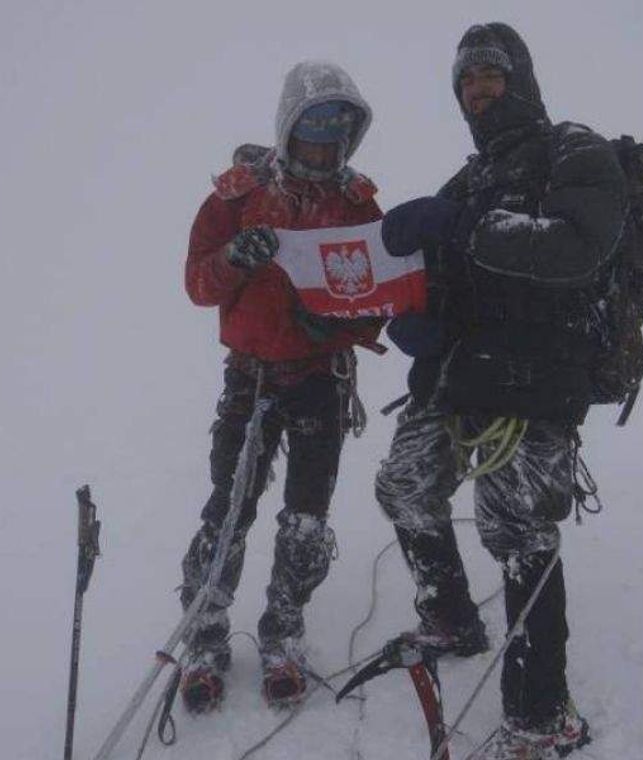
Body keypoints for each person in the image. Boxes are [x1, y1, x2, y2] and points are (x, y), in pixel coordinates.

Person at [375, 23, 628, 758]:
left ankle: (541, 716)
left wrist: (464, 225)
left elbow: (578, 250)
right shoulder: (471, 175)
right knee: (404, 486)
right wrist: (420, 320)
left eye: (489, 74)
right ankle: (451, 617)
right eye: (465, 81)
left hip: (539, 379)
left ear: (520, 78)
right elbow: (456, 279)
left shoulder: (574, 149)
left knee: (516, 533)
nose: (477, 90)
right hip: (464, 375)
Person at [179, 60, 382, 712]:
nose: (324, 145)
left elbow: (378, 295)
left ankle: (284, 629)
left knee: (305, 520)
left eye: (336, 132)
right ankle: (205, 635)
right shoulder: (237, 199)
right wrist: (236, 258)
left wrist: (347, 316)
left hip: (320, 381)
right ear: (289, 126)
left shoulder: (355, 204)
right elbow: (197, 285)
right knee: (229, 509)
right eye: (313, 129)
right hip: (251, 379)